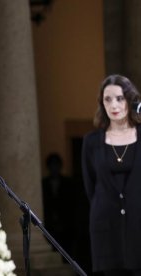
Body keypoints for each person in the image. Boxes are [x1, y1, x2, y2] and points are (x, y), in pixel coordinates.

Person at [81, 74, 141, 276]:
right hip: (106, 230)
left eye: (120, 98)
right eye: (107, 99)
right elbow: (91, 188)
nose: (114, 105)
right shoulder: (91, 142)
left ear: (130, 100)